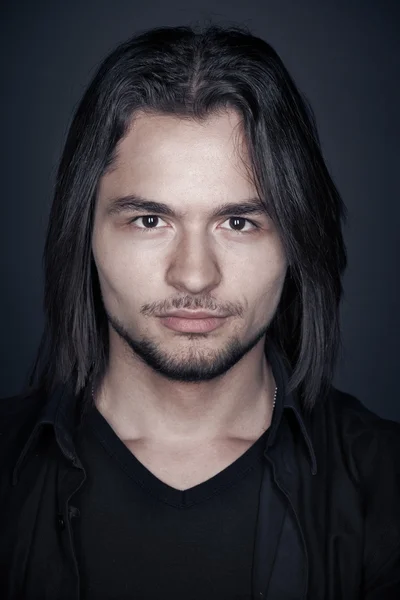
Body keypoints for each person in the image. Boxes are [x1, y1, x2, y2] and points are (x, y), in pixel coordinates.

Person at [0, 23, 399, 600]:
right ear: (84, 232)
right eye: (150, 220)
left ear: (296, 240)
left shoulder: (385, 485)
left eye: (237, 222)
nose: (193, 274)